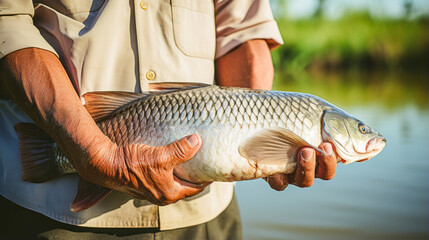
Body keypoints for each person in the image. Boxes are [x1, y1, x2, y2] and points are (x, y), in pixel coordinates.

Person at [0, 0, 338, 239]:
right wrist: (85, 148)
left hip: (206, 215)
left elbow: (242, 26)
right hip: (55, 215)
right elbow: (7, 18)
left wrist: (264, 150)